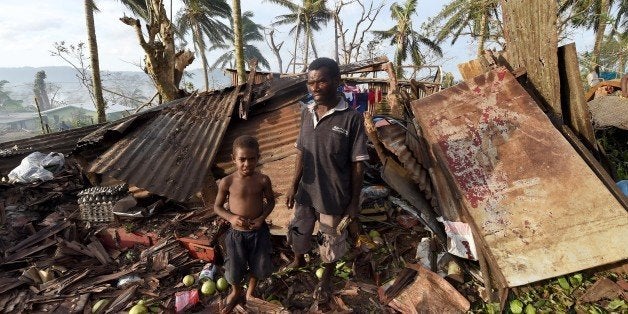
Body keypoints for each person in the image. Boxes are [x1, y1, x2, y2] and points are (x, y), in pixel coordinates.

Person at [285, 57, 369, 305]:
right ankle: (298, 259)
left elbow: (358, 164)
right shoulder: (306, 112)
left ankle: (326, 278)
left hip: (333, 194)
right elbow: (301, 150)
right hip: (306, 191)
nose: (315, 88)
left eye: (321, 81)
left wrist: (353, 203)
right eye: (311, 83)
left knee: (329, 240)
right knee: (298, 229)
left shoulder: (351, 119)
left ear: (337, 81)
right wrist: (292, 184)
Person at [213, 135, 276, 313]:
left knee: (260, 265)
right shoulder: (228, 182)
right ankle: (236, 291)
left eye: (251, 159)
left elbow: (270, 202)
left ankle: (251, 292)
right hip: (236, 235)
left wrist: (261, 218)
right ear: (234, 159)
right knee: (233, 269)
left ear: (258, 157)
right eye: (242, 159)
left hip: (258, 232)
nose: (247, 164)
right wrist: (232, 218)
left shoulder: (263, 180)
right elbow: (217, 207)